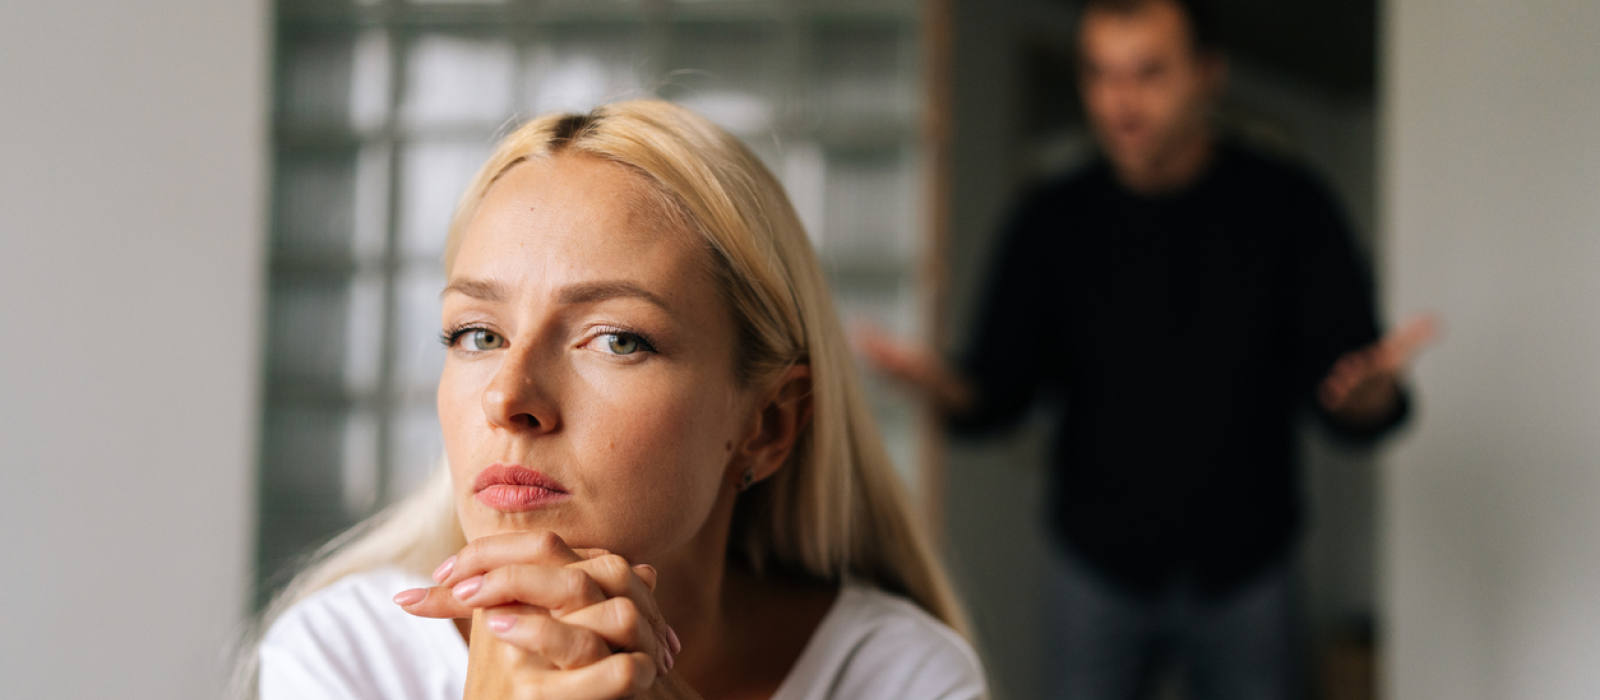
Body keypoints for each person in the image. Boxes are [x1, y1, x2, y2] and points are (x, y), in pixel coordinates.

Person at [243, 100, 986, 700]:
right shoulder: (345, 661)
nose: (509, 397)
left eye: (617, 340)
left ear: (767, 424)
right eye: (477, 333)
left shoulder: (896, 677)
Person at [855, 0, 1437, 699]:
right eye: (1099, 75)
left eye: (1149, 73)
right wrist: (943, 385)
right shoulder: (1051, 219)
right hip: (1096, 566)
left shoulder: (1290, 207)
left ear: (1208, 76)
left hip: (1249, 566)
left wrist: (1374, 399)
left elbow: (1345, 388)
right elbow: (1000, 391)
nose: (1120, 101)